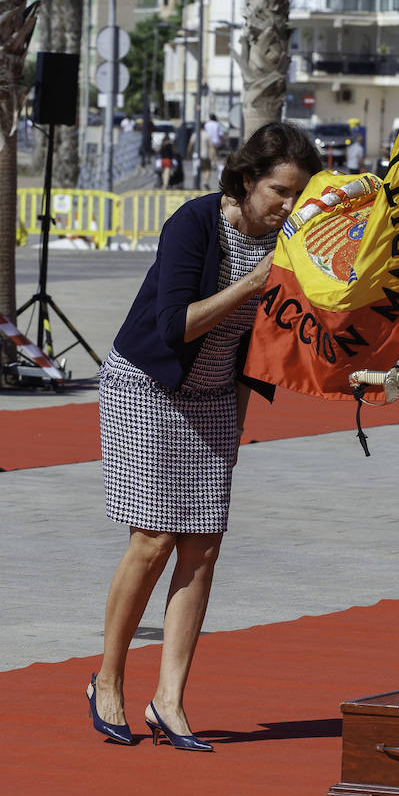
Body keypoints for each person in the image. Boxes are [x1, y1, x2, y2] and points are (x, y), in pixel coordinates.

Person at [87, 121, 320, 750]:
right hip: (147, 387)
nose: (288, 206)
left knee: (204, 546)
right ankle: (107, 678)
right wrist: (253, 281)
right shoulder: (195, 223)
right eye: (278, 191)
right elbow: (173, 328)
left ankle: (169, 701)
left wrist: (241, 413)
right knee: (155, 536)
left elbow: (263, 342)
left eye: (299, 194)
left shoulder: (289, 240)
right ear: (247, 181)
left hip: (216, 398)